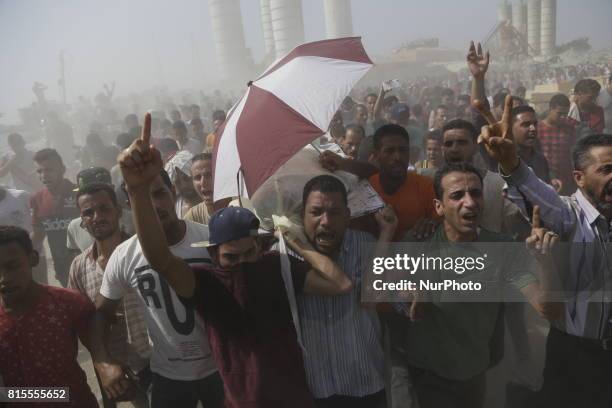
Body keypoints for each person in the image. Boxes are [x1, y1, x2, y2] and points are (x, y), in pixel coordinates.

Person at [118, 113, 355, 407]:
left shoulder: (276, 267)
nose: (242, 264)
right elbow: (159, 258)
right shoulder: (206, 285)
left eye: (248, 253)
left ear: (259, 246)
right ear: (214, 254)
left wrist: (295, 243)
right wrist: (136, 190)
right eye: (231, 257)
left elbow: (340, 284)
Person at [478, 93, 612, 408]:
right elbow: (538, 194)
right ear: (578, 178)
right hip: (578, 357)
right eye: (606, 170)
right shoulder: (568, 216)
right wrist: (510, 162)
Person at [390, 163, 561, 408]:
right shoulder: (418, 242)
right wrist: (409, 302)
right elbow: (396, 291)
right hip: (429, 375)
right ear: (438, 206)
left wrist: (545, 261)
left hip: (476, 373)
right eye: (457, 195)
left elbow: (550, 311)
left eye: (475, 193)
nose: (470, 203)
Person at [92, 168, 223, 408]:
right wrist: (103, 362)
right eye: (142, 197)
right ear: (132, 205)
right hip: (168, 377)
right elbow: (100, 313)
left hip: (223, 369)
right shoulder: (124, 255)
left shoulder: (212, 240)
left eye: (160, 193)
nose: (154, 204)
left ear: (173, 193)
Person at [294, 175, 396, 407]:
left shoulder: (367, 245)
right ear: (302, 215)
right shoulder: (286, 255)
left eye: (335, 212)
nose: (326, 221)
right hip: (312, 386)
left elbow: (372, 297)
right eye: (316, 212)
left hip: (364, 381)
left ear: (348, 216)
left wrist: (387, 233)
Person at [68, 182, 150, 407]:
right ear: (82, 221)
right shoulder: (79, 266)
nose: (97, 217)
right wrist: (104, 364)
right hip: (115, 372)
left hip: (155, 365)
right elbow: (81, 322)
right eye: (88, 213)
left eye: (104, 209)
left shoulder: (144, 250)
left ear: (118, 211)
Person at [0, 226, 98, 407]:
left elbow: (101, 358)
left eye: (12, 266)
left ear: (33, 259)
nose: (4, 278)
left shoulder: (68, 303)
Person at [321, 124, 438, 241]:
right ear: (377, 156)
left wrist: (433, 224)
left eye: (403, 150)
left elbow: (443, 223)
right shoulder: (365, 188)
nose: (398, 157)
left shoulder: (426, 187)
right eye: (389, 151)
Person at [441, 119, 530, 237]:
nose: (454, 149)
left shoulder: (498, 183)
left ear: (475, 147)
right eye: (448, 144)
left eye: (462, 143)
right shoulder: (431, 183)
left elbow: (520, 221)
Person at [30, 148, 80, 286]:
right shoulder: (37, 199)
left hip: (89, 263)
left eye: (49, 170)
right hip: (63, 270)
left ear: (62, 169)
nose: (44, 175)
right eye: (39, 171)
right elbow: (38, 236)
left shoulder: (79, 193)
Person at [538, 94, 577, 194]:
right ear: (551, 109)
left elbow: (573, 152)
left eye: (565, 114)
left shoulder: (569, 128)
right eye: (559, 113)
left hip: (567, 179)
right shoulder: (538, 128)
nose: (563, 117)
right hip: (546, 179)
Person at [184, 153, 214, 225]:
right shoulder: (193, 217)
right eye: (197, 177)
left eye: (208, 175)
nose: (202, 182)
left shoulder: (237, 205)